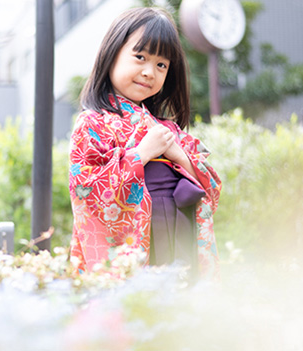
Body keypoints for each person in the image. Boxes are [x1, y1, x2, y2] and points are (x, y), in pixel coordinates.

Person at [68, 7, 222, 280]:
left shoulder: (169, 129)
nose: (150, 72)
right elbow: (86, 191)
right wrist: (141, 154)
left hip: (180, 235)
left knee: (180, 309)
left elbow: (210, 187)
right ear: (112, 53)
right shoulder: (92, 124)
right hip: (136, 244)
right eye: (140, 57)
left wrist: (177, 155)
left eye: (161, 65)